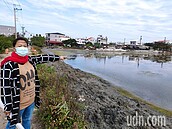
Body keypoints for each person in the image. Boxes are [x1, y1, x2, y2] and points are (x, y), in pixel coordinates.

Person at [0, 37, 65, 129]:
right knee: (13, 124)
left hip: (31, 101)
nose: (22, 48)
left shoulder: (29, 60)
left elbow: (43, 58)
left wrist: (58, 57)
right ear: (14, 48)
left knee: (27, 120)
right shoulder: (8, 65)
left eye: (25, 46)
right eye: (20, 46)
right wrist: (7, 106)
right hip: (18, 104)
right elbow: (5, 86)